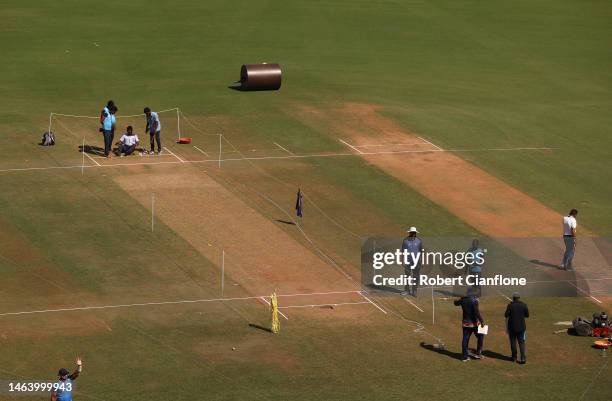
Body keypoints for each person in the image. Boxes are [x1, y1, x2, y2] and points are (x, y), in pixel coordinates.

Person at [454, 288, 485, 361]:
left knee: (465, 339)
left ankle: (464, 356)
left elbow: (455, 303)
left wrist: (460, 298)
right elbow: (476, 312)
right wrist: (482, 321)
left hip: (466, 323)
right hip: (474, 323)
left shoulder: (463, 300)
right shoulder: (474, 301)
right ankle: (478, 353)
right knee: (481, 336)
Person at [505, 292, 529, 364]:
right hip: (521, 327)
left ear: (513, 298)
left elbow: (506, 315)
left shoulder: (510, 305)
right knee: (521, 343)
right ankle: (523, 358)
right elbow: (527, 315)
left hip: (512, 327)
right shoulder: (524, 305)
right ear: (519, 298)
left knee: (513, 343)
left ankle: (514, 357)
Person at [401, 226, 423, 297]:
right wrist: (402, 260)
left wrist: (422, 261)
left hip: (416, 262)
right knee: (407, 276)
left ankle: (414, 291)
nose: (413, 234)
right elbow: (403, 251)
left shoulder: (419, 241)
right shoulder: (405, 241)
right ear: (409, 233)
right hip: (408, 261)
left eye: (414, 233)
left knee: (415, 276)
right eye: (412, 232)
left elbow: (421, 251)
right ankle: (407, 290)